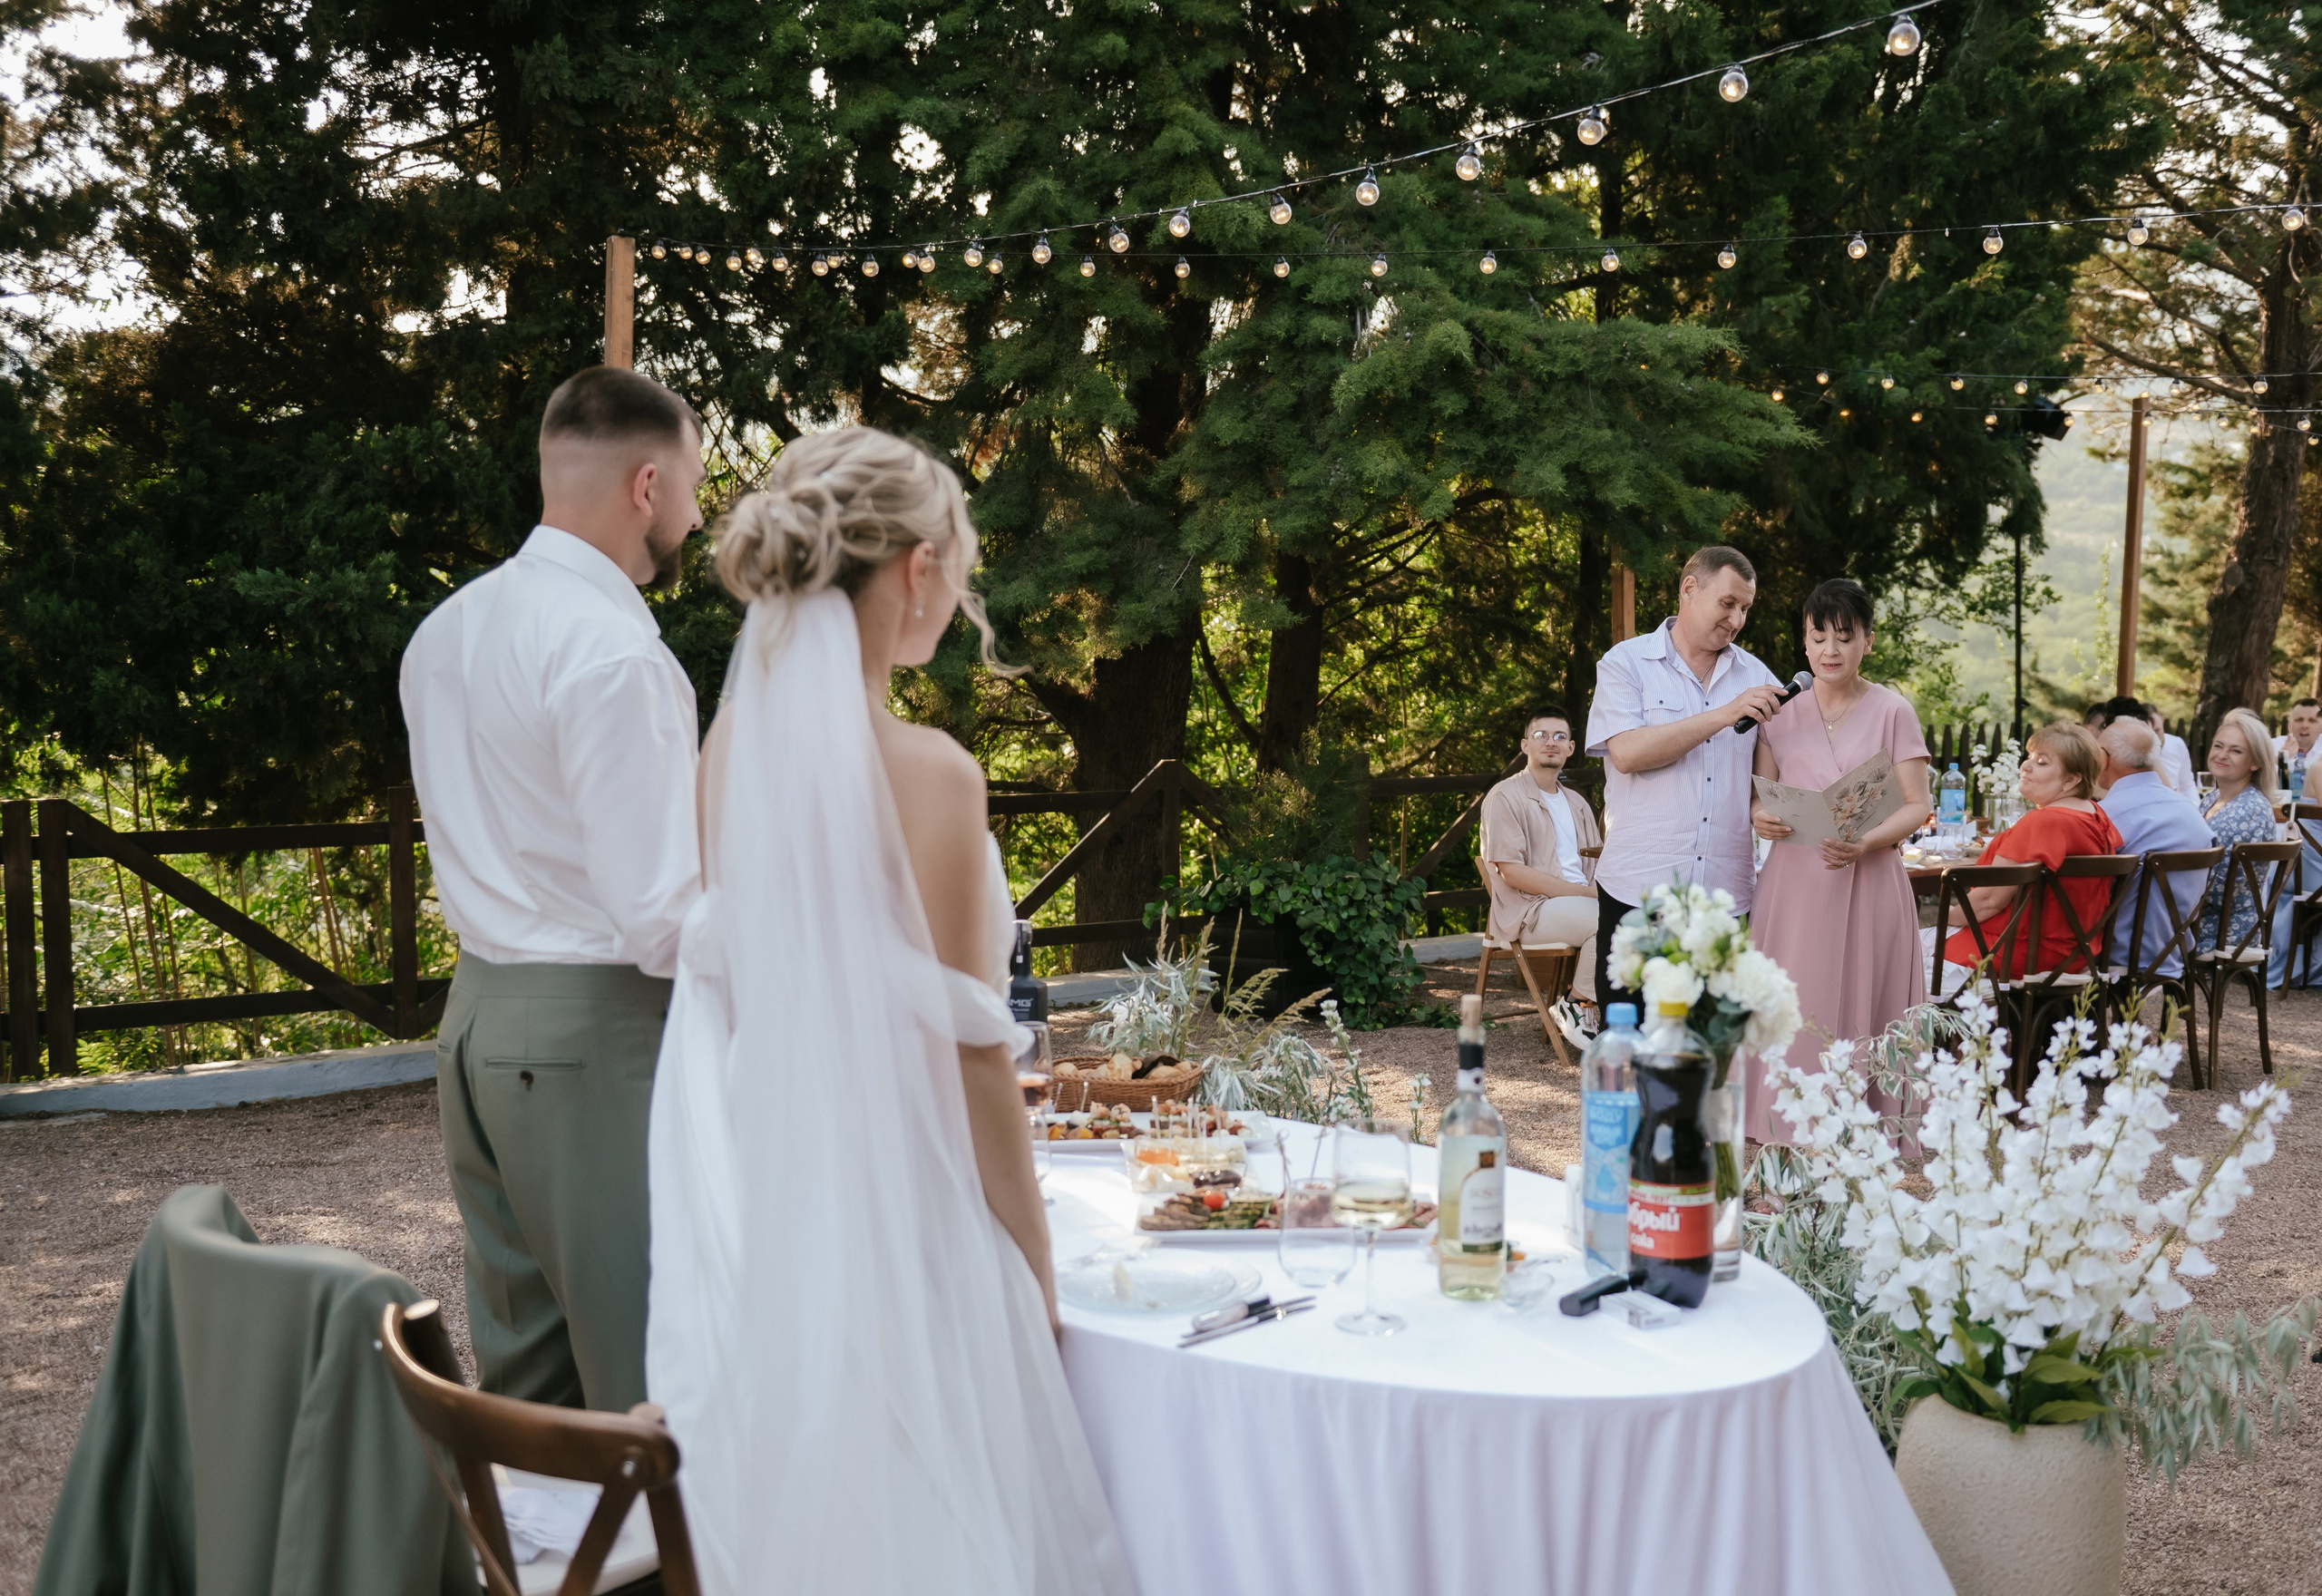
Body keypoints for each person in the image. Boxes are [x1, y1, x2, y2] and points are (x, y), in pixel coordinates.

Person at [646, 428, 1134, 1592]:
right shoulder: (933, 773)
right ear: (914, 569)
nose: (958, 594)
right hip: (910, 1226)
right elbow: (971, 1062)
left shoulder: (725, 759)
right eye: (957, 567)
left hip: (775, 1208)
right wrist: (1033, 1270)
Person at [400, 366, 705, 1412]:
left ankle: (543, 1572)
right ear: (649, 484)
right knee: (650, 1375)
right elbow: (662, 913)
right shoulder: (615, 651)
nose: (699, 515)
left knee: (531, 1375)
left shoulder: (445, 631)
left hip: (476, 1020)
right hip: (595, 1032)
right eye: (697, 487)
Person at [1744, 579, 1929, 1144]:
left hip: (1868, 875)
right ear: (1803, 641)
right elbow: (1761, 795)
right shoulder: (1779, 712)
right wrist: (1760, 817)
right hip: (1793, 882)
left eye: (1844, 638)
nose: (1830, 649)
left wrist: (1868, 842)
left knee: (1860, 1007)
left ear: (1868, 642)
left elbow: (1918, 804)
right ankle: (1781, 1128)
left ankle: (1860, 1134)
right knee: (1793, 1004)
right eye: (1818, 635)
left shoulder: (1893, 709)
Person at [1584, 545, 1787, 1005]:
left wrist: (1760, 807)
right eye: (1728, 603)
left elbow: (1769, 780)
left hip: (1725, 900)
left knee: (1714, 1060)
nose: (1737, 619)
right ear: (1689, 588)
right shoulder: (1625, 663)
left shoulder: (1758, 675)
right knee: (1631, 1051)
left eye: (1746, 609)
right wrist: (1723, 714)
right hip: (1639, 896)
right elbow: (1628, 752)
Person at [1926, 721, 2123, 993]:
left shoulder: (2045, 821)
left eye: (2041, 762)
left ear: (2071, 779)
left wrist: (1942, 916)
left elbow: (1988, 901)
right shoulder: (2097, 817)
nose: (2025, 766)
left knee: (1901, 948)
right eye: (2029, 757)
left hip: (2019, 953)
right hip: (2077, 953)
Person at [1478, 708, 1605, 1046]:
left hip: (1576, 907)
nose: (1551, 742)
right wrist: (1584, 894)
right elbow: (1512, 872)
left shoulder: (1577, 803)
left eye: (1560, 737)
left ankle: (1614, 1013)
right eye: (1541, 736)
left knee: (1644, 915)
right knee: (1610, 920)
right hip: (1529, 911)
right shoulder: (1505, 796)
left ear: (1571, 748)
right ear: (1525, 745)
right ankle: (1578, 1004)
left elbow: (1598, 863)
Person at [2094, 717, 2214, 979]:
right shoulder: (2192, 814)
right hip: (2173, 950)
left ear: (2103, 759)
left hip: (2112, 953)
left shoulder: (2104, 818)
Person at [2197, 707, 2283, 954]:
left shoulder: (2251, 810)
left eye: (2236, 751)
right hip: (2201, 918)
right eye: (2218, 746)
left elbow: (2220, 889)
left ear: (2255, 762)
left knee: (2135, 926)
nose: (2222, 755)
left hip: (2221, 928)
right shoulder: (2211, 798)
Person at [2273, 696, 2321, 797]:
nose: (2304, 725)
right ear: (2289, 724)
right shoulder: (2273, 746)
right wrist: (2281, 759)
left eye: (2312, 721)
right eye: (2299, 720)